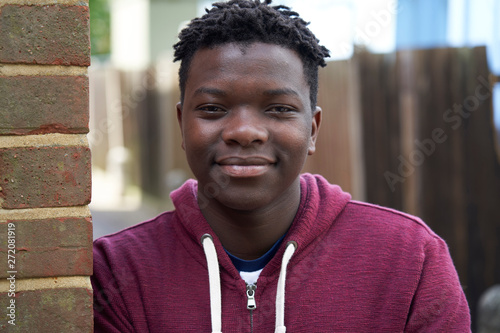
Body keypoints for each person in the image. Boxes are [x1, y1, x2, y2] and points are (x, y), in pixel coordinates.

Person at [91, 1, 471, 332]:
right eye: (212, 108)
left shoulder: (410, 259)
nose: (244, 132)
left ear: (312, 130)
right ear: (181, 125)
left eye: (279, 109)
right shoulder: (118, 270)